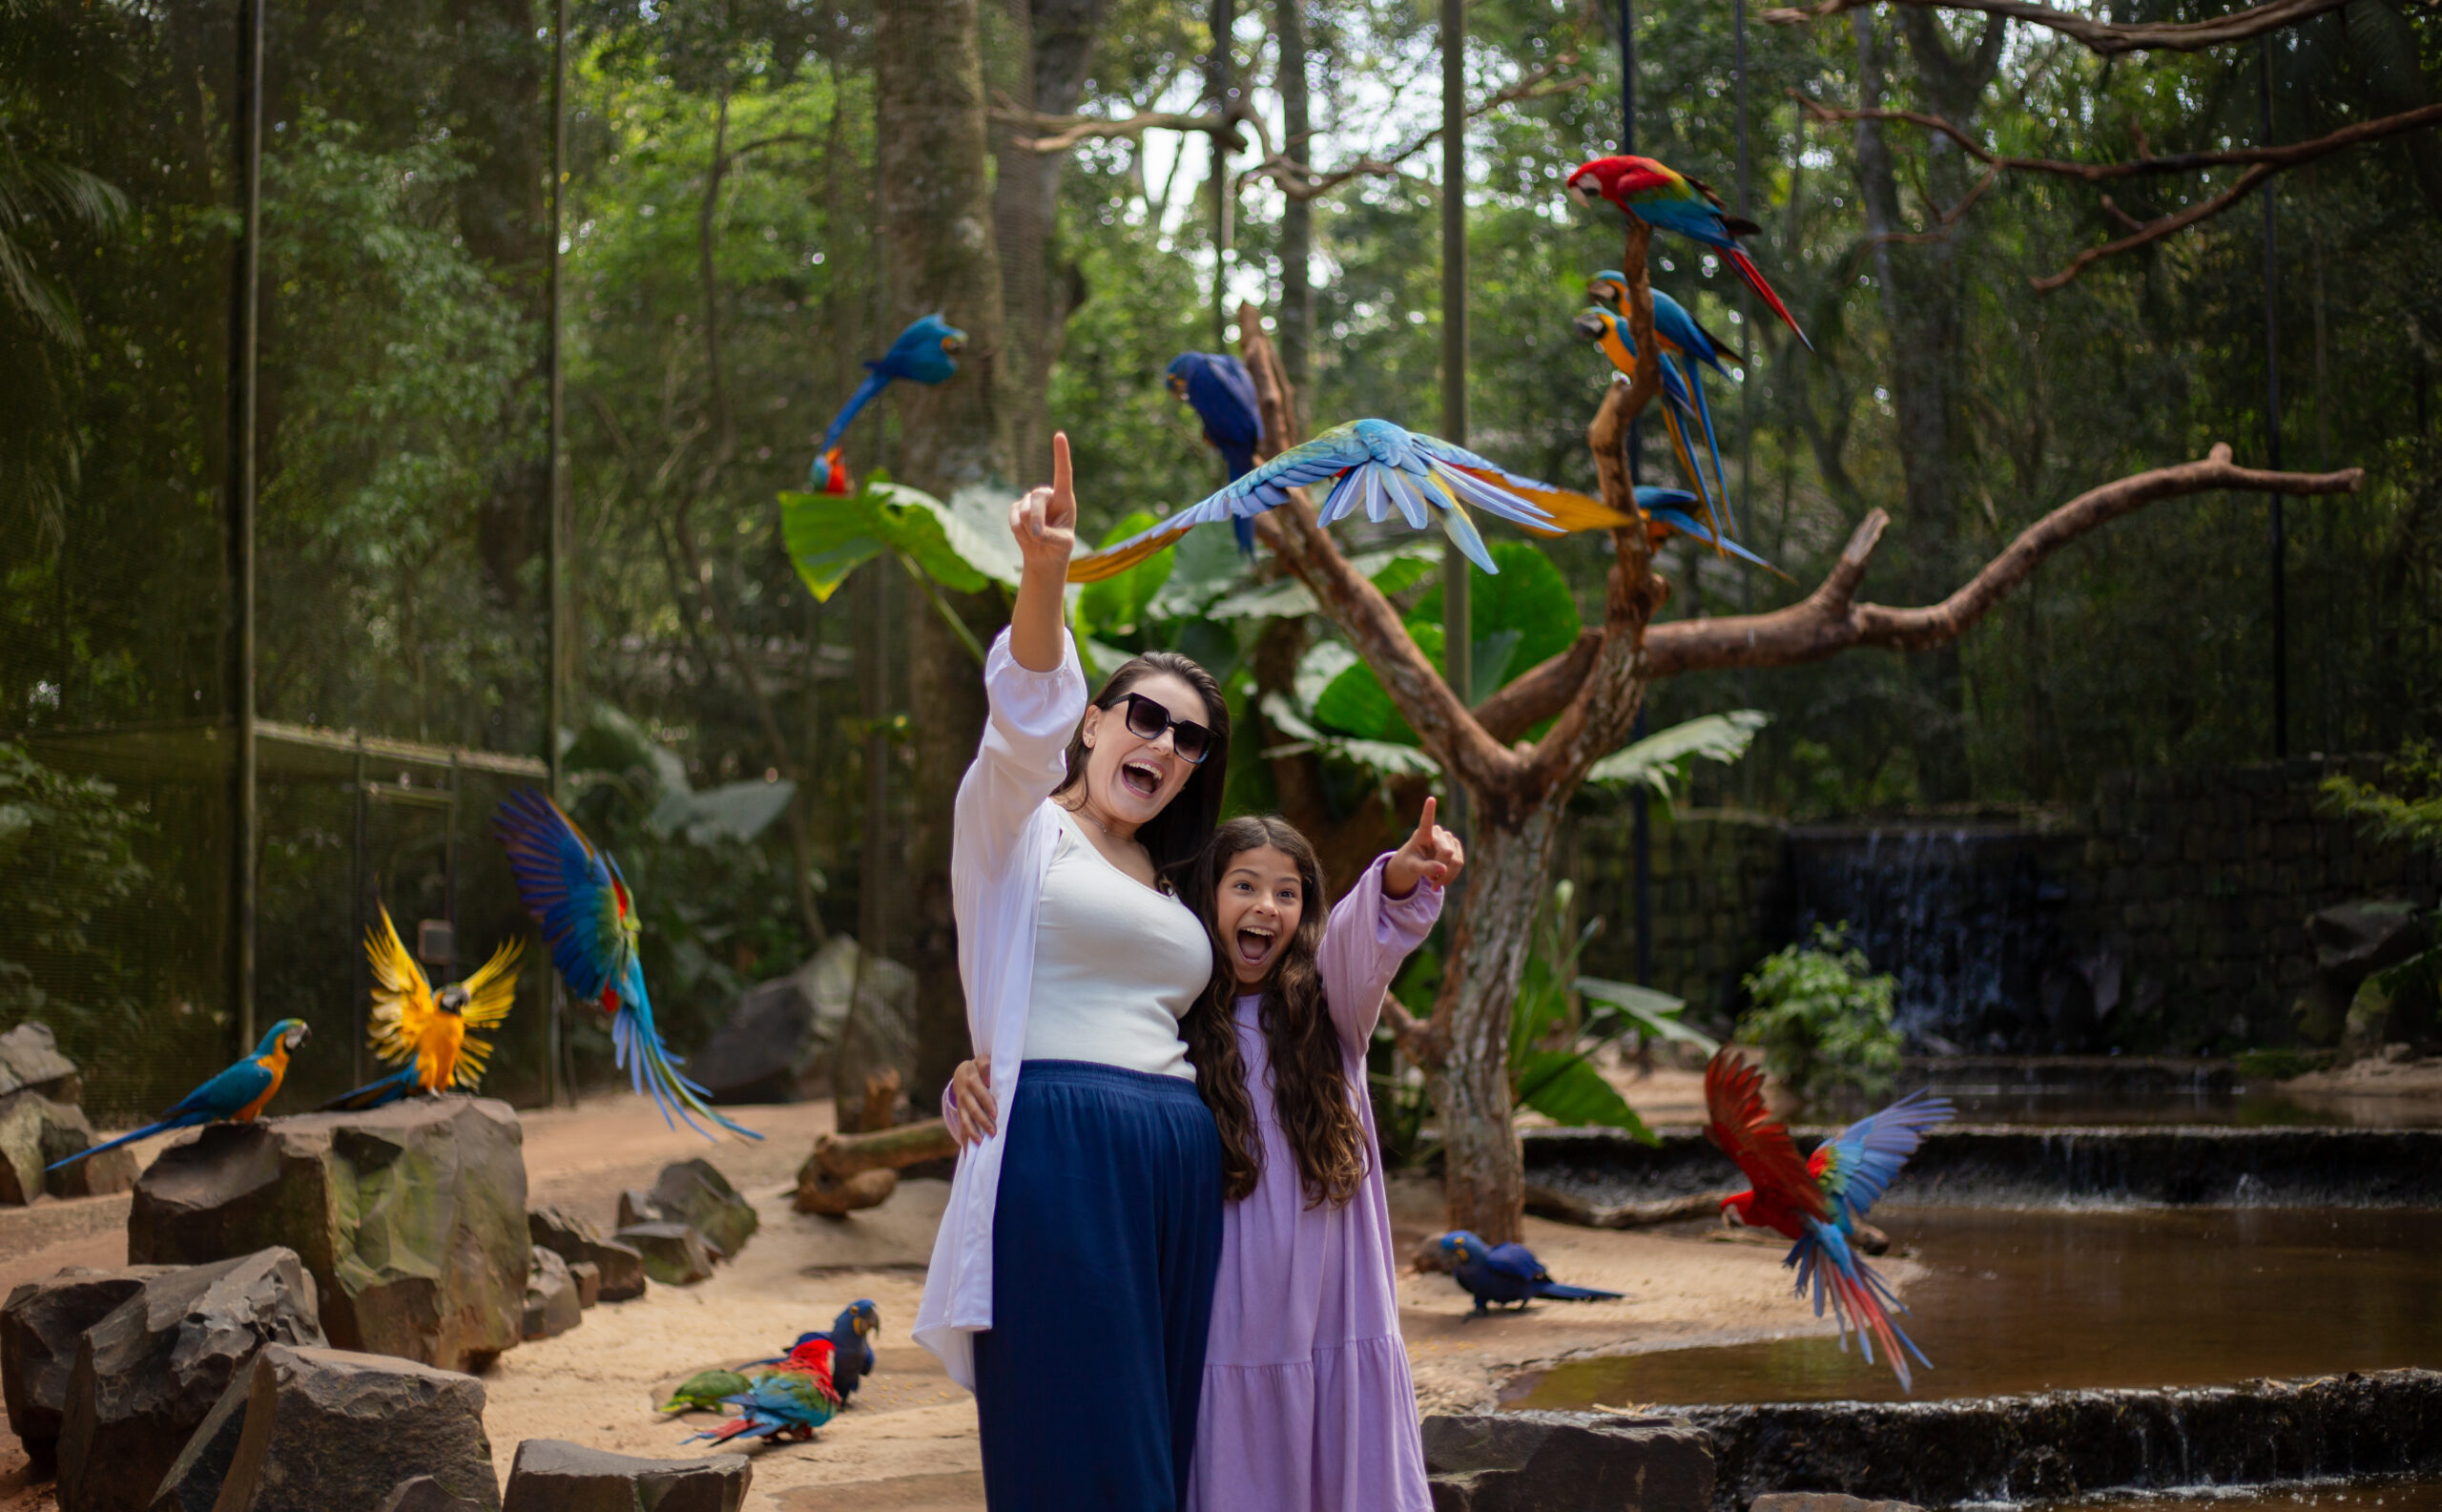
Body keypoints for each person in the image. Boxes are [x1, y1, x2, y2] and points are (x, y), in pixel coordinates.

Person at [950, 804, 1463, 1512]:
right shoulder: (1173, 1024)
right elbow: (1075, 1056)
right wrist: (971, 1086)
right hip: (1230, 1307)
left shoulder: (1332, 1005)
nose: (1267, 907)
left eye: (1288, 893)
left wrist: (1402, 875)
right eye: (1244, 886)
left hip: (1332, 1307)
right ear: (1206, 900)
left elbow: (1363, 933)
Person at [912, 432, 1233, 1511]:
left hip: (1174, 1162)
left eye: (1187, 740)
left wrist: (1399, 890)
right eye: (1143, 717)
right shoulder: (1014, 827)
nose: (1162, 745)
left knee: (1159, 1440)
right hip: (1060, 1149)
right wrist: (1044, 575)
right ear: (1096, 722)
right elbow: (1023, 717)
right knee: (1078, 1448)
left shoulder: (1175, 876)